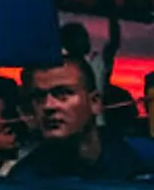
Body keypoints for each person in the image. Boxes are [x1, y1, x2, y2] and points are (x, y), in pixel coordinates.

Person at [8, 58, 154, 182]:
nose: (48, 106)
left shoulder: (142, 160)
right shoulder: (24, 181)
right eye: (39, 97)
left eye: (63, 93)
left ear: (95, 102)